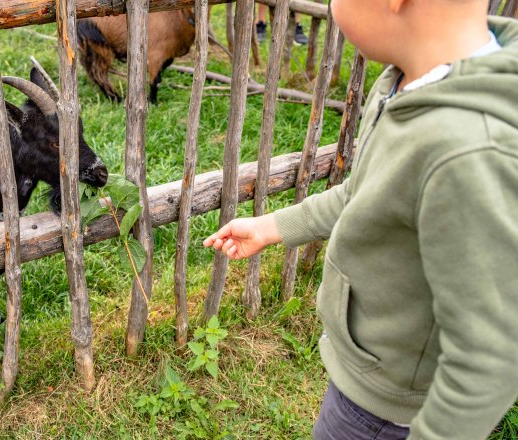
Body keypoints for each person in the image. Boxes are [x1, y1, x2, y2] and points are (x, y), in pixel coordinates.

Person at [204, 0, 518, 439]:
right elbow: (364, 193)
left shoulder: (466, 151)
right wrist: (271, 226)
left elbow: (490, 353)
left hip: (386, 413)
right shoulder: (408, 83)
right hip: (370, 377)